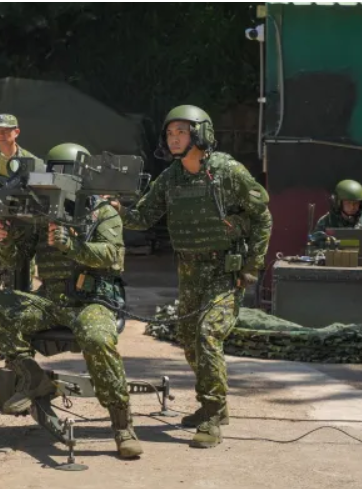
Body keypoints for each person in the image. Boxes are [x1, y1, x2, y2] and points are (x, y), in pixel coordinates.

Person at [112, 104, 272, 448]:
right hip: (189, 271)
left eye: (181, 132)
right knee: (187, 339)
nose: (173, 139)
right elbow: (142, 217)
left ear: (201, 135)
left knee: (207, 334)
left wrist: (252, 267)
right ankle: (217, 405)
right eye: (170, 133)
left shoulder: (228, 172)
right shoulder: (170, 178)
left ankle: (212, 414)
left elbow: (263, 217)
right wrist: (115, 210)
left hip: (224, 271)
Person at [0, 143, 143, 459]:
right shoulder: (40, 213)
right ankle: (33, 377)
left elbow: (112, 258)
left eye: (64, 173)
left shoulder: (102, 211)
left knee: (96, 337)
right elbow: (18, 258)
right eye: (53, 172)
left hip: (92, 299)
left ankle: (123, 426)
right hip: (51, 299)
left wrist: (73, 246)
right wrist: (4, 241)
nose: (58, 179)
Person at [0, 114, 38, 339]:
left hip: (23, 233)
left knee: (23, 279)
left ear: (17, 132)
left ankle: (21, 327)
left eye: (6, 130)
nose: (2, 134)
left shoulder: (31, 162)